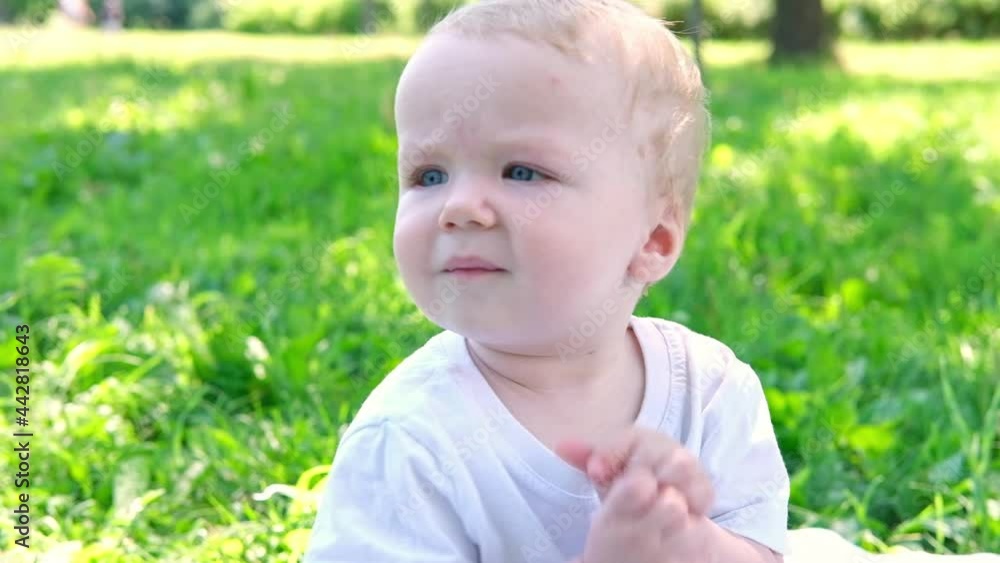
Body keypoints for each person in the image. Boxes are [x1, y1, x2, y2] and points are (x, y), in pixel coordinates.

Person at [303, 1, 995, 562]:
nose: (459, 206)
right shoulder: (410, 443)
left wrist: (692, 544)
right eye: (428, 174)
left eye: (521, 171)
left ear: (653, 242)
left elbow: (762, 552)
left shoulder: (710, 387)